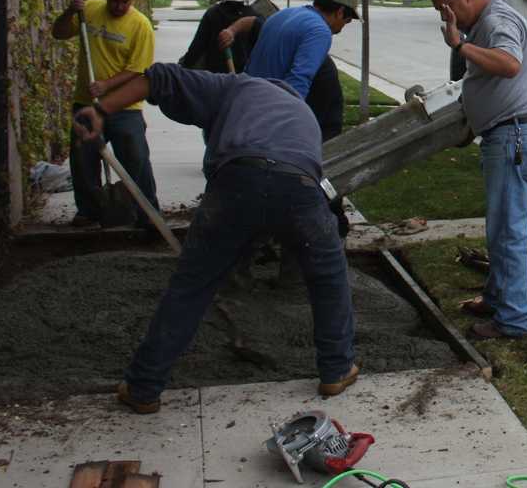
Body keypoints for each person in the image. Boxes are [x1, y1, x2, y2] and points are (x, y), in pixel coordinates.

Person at [73, 63, 359, 414]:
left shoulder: (237, 87)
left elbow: (159, 77)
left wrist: (101, 110)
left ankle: (143, 387)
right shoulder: (303, 114)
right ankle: (336, 369)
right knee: (329, 277)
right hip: (299, 186)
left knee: (191, 286)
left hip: (237, 181)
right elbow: (279, 189)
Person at [420, 0, 527, 340]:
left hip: (516, 137)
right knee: (500, 229)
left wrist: (460, 45)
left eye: (446, 7)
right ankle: (497, 299)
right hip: (512, 136)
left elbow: (510, 65)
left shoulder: (496, 22)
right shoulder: (487, 22)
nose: (445, 16)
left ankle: (513, 321)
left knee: (509, 232)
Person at [51, 0, 157, 228]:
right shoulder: (89, 10)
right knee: (83, 159)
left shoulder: (140, 25)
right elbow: (59, 33)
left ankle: (148, 213)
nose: (119, 7)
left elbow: (137, 69)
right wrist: (69, 12)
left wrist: (107, 85)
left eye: (125, 1)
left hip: (124, 106)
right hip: (85, 103)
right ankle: (89, 211)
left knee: (136, 157)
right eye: (115, 1)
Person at [237, 0, 358, 99]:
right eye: (347, 21)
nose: (343, 27)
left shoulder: (282, 14)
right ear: (340, 12)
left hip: (246, 95)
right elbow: (298, 80)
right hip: (268, 107)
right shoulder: (320, 31)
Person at [180, 0, 257, 73]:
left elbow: (197, 46)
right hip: (244, 75)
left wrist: (185, 66)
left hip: (215, 74)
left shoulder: (213, 13)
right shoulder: (252, 15)